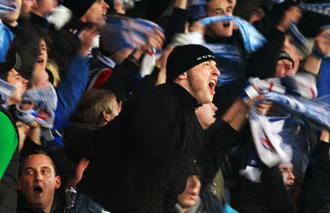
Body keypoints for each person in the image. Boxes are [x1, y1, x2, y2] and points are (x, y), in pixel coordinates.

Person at [66, 44, 219, 213]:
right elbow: (111, 144)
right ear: (183, 73)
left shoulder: (195, 130)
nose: (216, 72)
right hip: (99, 206)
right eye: (207, 65)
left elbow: (171, 189)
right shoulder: (156, 100)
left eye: (216, 67)